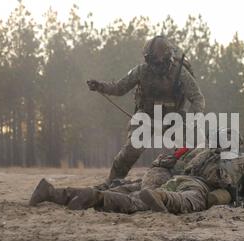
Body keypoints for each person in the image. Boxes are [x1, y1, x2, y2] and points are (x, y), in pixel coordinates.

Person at [29, 132, 244, 214]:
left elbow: (173, 166)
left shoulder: (198, 152)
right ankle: (157, 198)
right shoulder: (242, 160)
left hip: (176, 178)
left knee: (135, 191)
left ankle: (57, 193)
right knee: (187, 202)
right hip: (195, 187)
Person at [87, 36, 205, 188]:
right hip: (146, 117)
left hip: (173, 118)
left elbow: (198, 99)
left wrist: (189, 121)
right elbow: (119, 88)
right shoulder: (141, 71)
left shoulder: (180, 72)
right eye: (153, 63)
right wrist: (100, 86)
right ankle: (110, 182)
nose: (157, 67)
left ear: (169, 59)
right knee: (131, 150)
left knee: (191, 150)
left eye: (160, 63)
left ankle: (191, 182)